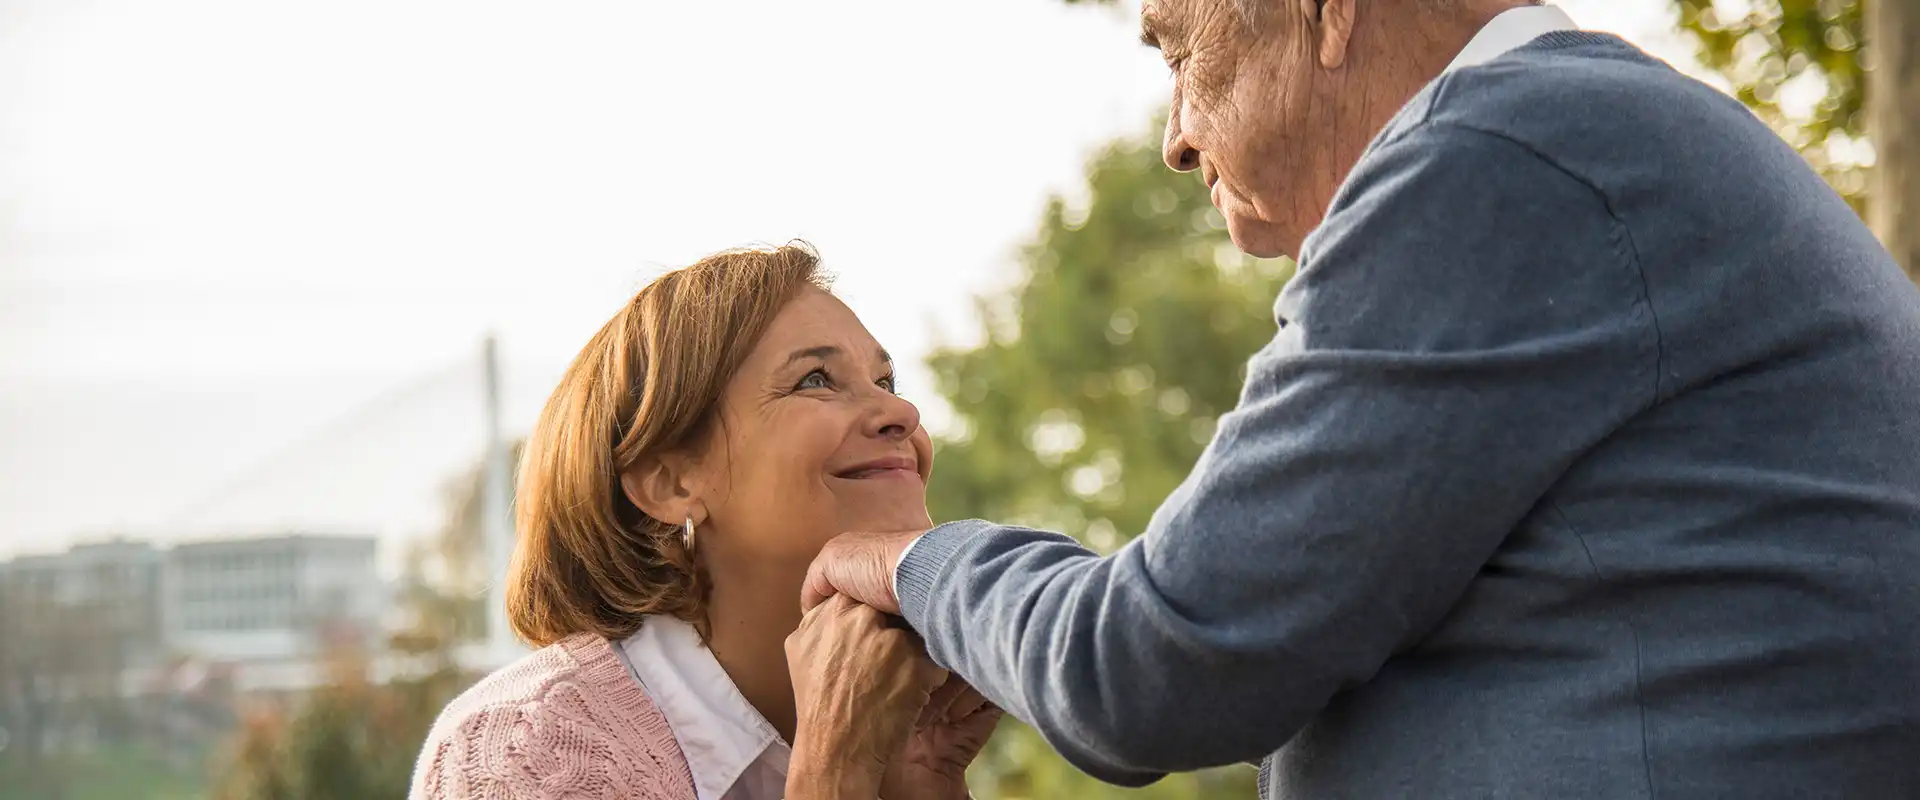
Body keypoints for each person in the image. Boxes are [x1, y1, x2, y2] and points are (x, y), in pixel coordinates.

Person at [802, 1, 1920, 798]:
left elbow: (1150, 664)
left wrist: (909, 562)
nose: (1176, 136)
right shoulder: (1592, 138)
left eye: (1180, 47)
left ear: (1327, 12)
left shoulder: (1499, 152)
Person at [410, 243, 1001, 800]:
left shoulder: (911, 727)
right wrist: (835, 770)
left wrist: (922, 787)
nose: (902, 411)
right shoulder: (520, 754)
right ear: (671, 484)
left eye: (885, 381)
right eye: (815, 380)